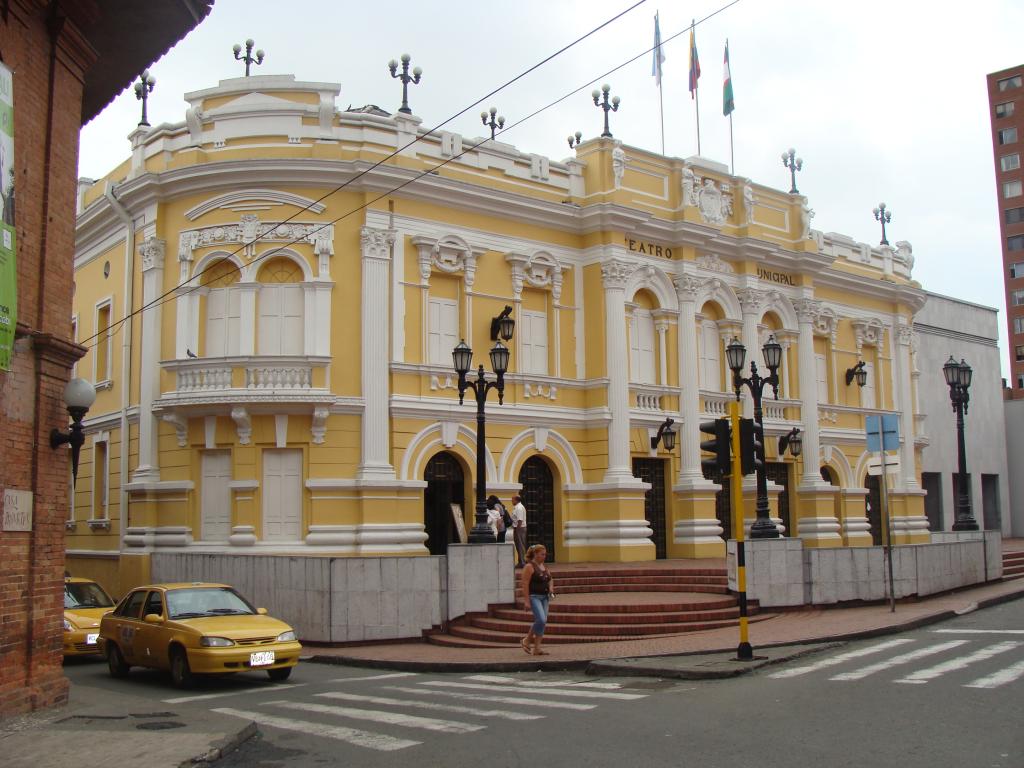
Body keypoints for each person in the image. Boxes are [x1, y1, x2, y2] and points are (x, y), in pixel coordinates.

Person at [519, 544, 554, 656]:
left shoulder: (543, 566)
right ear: (535, 554)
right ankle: (527, 639)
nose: (544, 556)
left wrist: (551, 588)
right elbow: (525, 584)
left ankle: (537, 648)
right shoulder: (529, 567)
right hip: (535, 597)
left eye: (545, 554)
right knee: (541, 620)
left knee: (542, 622)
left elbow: (550, 579)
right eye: (542, 554)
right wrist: (526, 601)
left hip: (545, 597)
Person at [510, 494, 527, 567]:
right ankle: (521, 561)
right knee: (518, 545)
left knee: (520, 545)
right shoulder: (517, 507)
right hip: (518, 528)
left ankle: (523, 562)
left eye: (512, 499)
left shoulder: (519, 508)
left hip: (519, 528)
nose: (511, 501)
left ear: (516, 500)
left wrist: (517, 529)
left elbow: (520, 520)